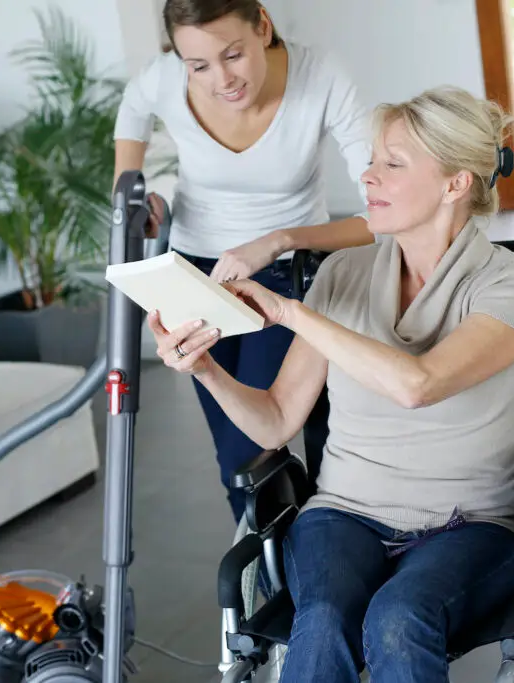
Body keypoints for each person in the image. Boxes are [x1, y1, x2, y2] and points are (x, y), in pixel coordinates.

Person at [147, 85, 514, 683]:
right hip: (342, 514)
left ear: (455, 184)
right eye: (371, 160)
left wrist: (290, 312)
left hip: (470, 523)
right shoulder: (342, 274)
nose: (367, 176)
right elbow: (276, 421)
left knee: (398, 618)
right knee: (322, 618)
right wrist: (204, 367)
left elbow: (418, 384)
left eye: (393, 163)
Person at [113, 0, 375, 523]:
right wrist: (131, 194)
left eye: (233, 55)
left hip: (286, 275)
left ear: (263, 25)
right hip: (193, 272)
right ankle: (264, 567)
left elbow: (382, 215)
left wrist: (279, 239)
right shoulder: (164, 78)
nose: (222, 80)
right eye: (198, 66)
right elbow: (133, 109)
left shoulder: (320, 76)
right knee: (235, 459)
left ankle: (317, 544)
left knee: (260, 443)